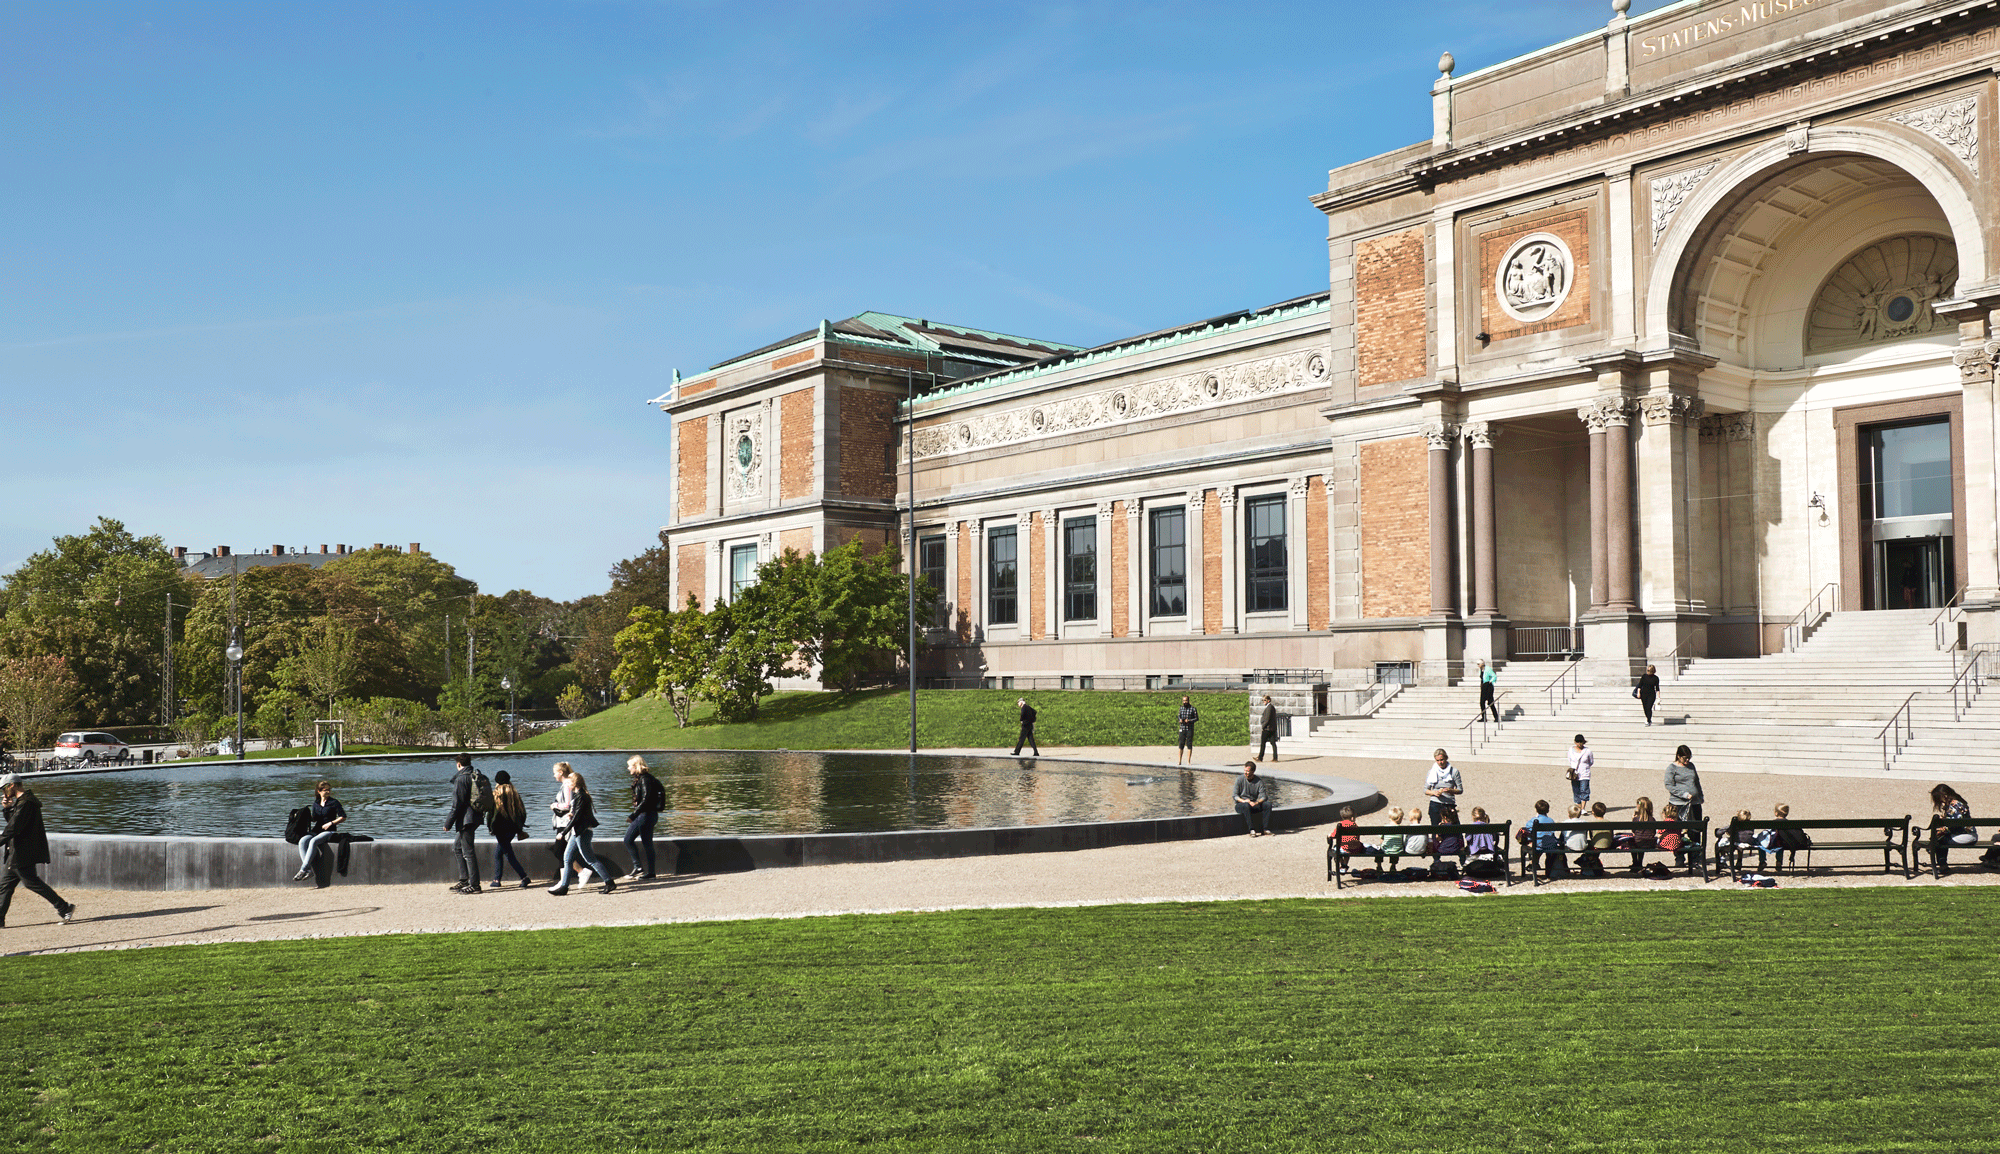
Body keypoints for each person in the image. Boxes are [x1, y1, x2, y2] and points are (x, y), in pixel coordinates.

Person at [0, 774, 75, 927]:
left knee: (31, 883)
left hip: (21, 852)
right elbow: (14, 824)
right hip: (17, 851)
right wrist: (7, 809)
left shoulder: (26, 803)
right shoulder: (23, 802)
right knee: (5, 886)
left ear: (12, 785)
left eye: (3, 788)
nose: (3, 793)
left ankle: (64, 907)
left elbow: (13, 828)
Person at [548, 773, 619, 895]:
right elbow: (579, 815)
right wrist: (572, 814)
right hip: (578, 832)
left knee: (590, 859)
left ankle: (609, 882)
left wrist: (564, 832)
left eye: (569, 782)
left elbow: (577, 818)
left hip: (582, 832)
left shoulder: (581, 796)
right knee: (567, 858)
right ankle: (564, 886)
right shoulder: (579, 796)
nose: (567, 784)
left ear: (574, 783)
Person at [444, 753, 484, 895]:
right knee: (457, 847)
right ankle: (464, 879)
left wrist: (448, 823)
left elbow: (457, 804)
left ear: (459, 764)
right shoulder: (474, 774)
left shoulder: (461, 778)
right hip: (475, 817)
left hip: (467, 819)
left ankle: (475, 885)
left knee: (468, 851)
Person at [292, 780, 346, 881]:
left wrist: (331, 823)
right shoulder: (316, 803)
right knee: (302, 841)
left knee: (313, 841)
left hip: (329, 831)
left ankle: (303, 869)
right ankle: (309, 871)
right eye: (326, 790)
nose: (328, 792)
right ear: (319, 791)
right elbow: (315, 819)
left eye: (329, 790)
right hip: (316, 830)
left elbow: (343, 816)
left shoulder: (334, 802)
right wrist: (302, 815)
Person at [623, 755, 666, 880]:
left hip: (646, 815)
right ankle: (644, 870)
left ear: (636, 766)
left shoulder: (645, 779)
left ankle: (645, 870)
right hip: (646, 815)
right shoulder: (642, 778)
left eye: (630, 766)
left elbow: (646, 799)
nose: (628, 768)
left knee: (630, 840)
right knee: (642, 842)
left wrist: (633, 815)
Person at [489, 770, 533, 889]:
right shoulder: (514, 793)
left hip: (500, 830)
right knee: (498, 853)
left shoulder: (496, 794)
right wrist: (519, 828)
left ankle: (524, 877)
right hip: (512, 829)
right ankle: (497, 878)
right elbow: (522, 813)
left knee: (508, 854)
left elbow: (492, 814)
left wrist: (491, 828)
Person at [1929, 783, 1977, 874]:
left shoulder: (1954, 805)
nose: (1940, 802)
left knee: (1939, 840)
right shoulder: (1958, 803)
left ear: (1944, 796)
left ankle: (1943, 866)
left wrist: (1943, 830)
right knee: (1939, 838)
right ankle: (1942, 864)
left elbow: (1955, 824)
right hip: (1969, 835)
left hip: (1965, 836)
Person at [1665, 744, 1704, 834]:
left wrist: (1700, 796)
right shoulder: (1672, 768)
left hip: (1694, 802)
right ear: (1678, 756)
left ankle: (1697, 847)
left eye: (1689, 758)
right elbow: (1669, 785)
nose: (1688, 760)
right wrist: (1683, 794)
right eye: (1685, 758)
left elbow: (1696, 782)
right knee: (1677, 831)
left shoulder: (1691, 766)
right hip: (1678, 803)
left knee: (1696, 830)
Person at [1527, 799, 1565, 878]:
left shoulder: (1534, 820)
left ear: (1536, 810)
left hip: (1538, 844)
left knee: (1534, 845)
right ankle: (1548, 871)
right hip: (1550, 844)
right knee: (1546, 848)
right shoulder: (1550, 820)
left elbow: (1527, 828)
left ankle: (1534, 862)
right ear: (1548, 810)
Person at [1424, 748, 1463, 824]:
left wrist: (1451, 790)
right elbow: (1426, 790)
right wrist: (1434, 793)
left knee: (1454, 830)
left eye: (1442, 760)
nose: (1440, 762)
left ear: (1446, 758)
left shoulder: (1454, 772)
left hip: (1449, 803)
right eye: (1437, 760)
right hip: (1435, 803)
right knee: (1436, 830)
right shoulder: (1431, 772)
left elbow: (1460, 789)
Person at [1234, 761, 1271, 836]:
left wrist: (1256, 803)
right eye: (1245, 770)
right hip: (1241, 804)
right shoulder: (1239, 779)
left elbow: (1264, 797)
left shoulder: (1259, 781)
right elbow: (1235, 796)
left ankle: (1265, 829)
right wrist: (1244, 801)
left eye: (1248, 771)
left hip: (1254, 803)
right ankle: (1251, 830)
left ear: (1253, 771)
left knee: (1268, 805)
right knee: (1246, 806)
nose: (1246, 773)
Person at [1624, 796, 1658, 873]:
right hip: (1650, 843)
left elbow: (1633, 831)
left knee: (1633, 840)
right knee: (1643, 839)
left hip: (1638, 843)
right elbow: (1654, 832)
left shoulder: (1636, 819)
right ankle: (1639, 862)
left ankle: (1635, 862)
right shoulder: (1652, 819)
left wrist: (1633, 818)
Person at [1566, 735, 1593, 807]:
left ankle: (1583, 808)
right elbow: (1569, 759)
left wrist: (1585, 767)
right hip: (1574, 774)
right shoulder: (1571, 750)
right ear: (1575, 742)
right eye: (1577, 742)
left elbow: (1591, 761)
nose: (1579, 744)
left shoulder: (1588, 751)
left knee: (1584, 790)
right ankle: (1579, 806)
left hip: (1584, 773)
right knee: (1576, 790)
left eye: (1581, 742)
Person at [1174, 696, 1199, 766]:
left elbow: (1196, 718)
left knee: (1189, 744)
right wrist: (1180, 720)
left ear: (1188, 701)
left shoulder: (1193, 709)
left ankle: (1188, 761)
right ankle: (1179, 761)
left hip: (1189, 728)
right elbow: (1179, 716)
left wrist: (1189, 721)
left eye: (1186, 701)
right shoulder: (1181, 708)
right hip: (1182, 728)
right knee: (1181, 744)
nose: (1184, 702)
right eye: (1183, 701)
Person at [1476, 659, 1500, 723]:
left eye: (1479, 664)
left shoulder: (1488, 669)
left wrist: (1490, 681)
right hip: (1483, 686)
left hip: (1488, 686)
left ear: (1482, 664)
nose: (1478, 665)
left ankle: (1496, 717)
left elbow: (1494, 676)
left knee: (1490, 702)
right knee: (1482, 702)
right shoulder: (1481, 670)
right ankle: (1483, 717)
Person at [1256, 696, 1280, 762]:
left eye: (1264, 700)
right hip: (1271, 728)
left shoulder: (1269, 708)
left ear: (1268, 700)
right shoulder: (1270, 707)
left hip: (1267, 729)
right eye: (1263, 700)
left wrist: (1263, 726)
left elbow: (1267, 719)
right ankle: (1275, 757)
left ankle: (1260, 757)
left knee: (1263, 743)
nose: (1263, 701)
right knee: (1273, 743)